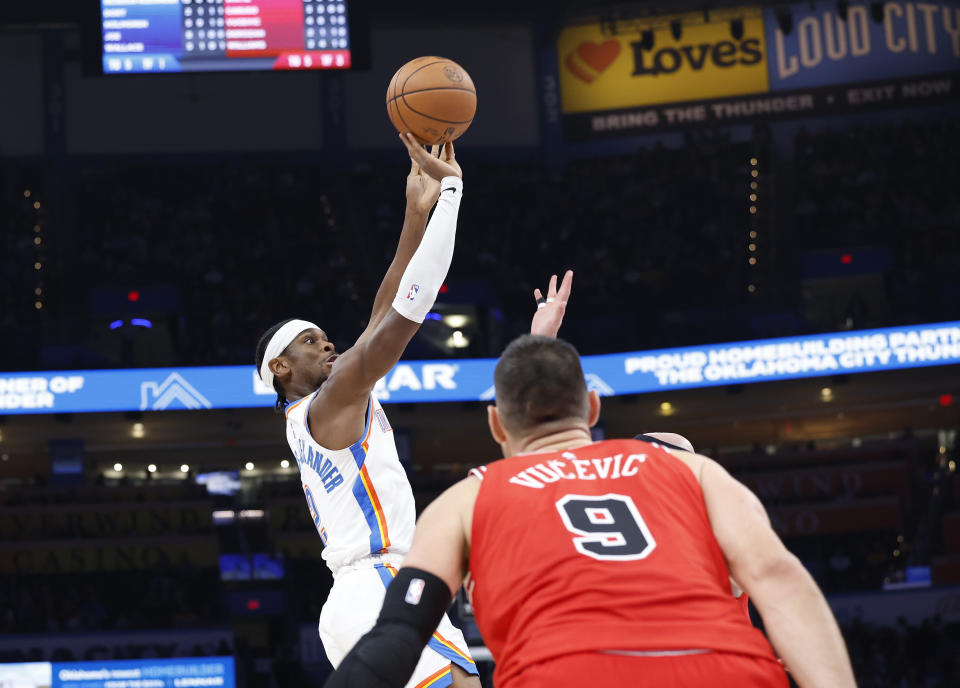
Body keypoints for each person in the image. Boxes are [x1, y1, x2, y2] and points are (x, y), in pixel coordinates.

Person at [324, 334, 858, 688]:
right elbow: (781, 579)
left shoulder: (469, 498)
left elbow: (397, 636)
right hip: (722, 670)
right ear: (594, 408)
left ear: (496, 426)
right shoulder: (689, 468)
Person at [255, 133, 479, 688]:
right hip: (377, 583)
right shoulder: (328, 406)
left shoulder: (331, 402)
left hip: (381, 586)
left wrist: (414, 211)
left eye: (328, 338)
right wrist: (450, 193)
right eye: (310, 341)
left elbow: (383, 307)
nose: (328, 345)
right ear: (281, 368)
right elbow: (408, 309)